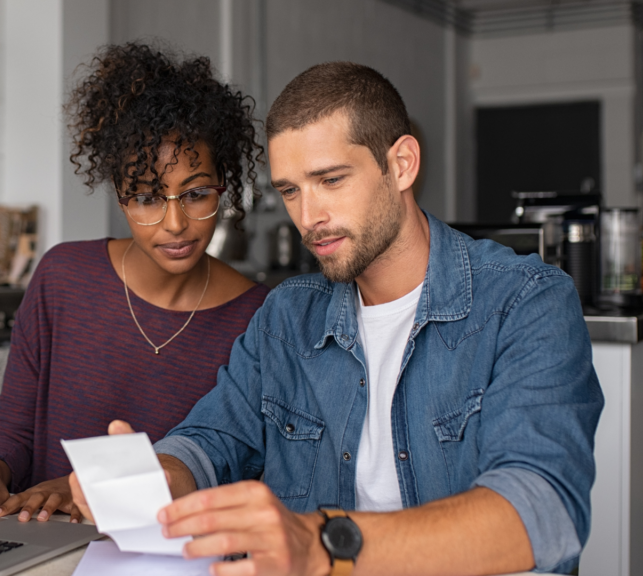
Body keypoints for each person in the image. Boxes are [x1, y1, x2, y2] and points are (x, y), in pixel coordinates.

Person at [72, 61, 603, 575]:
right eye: (290, 190)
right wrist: (158, 477)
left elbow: (542, 509)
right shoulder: (286, 315)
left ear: (401, 165)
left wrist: (325, 545)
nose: (308, 217)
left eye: (330, 180)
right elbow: (213, 439)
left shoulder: (526, 302)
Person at [0, 43, 270, 524]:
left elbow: (235, 472)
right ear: (120, 197)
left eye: (196, 193)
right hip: (43, 543)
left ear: (223, 187)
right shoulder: (62, 277)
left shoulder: (258, 318)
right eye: (146, 197)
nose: (174, 223)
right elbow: (15, 428)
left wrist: (84, 489)